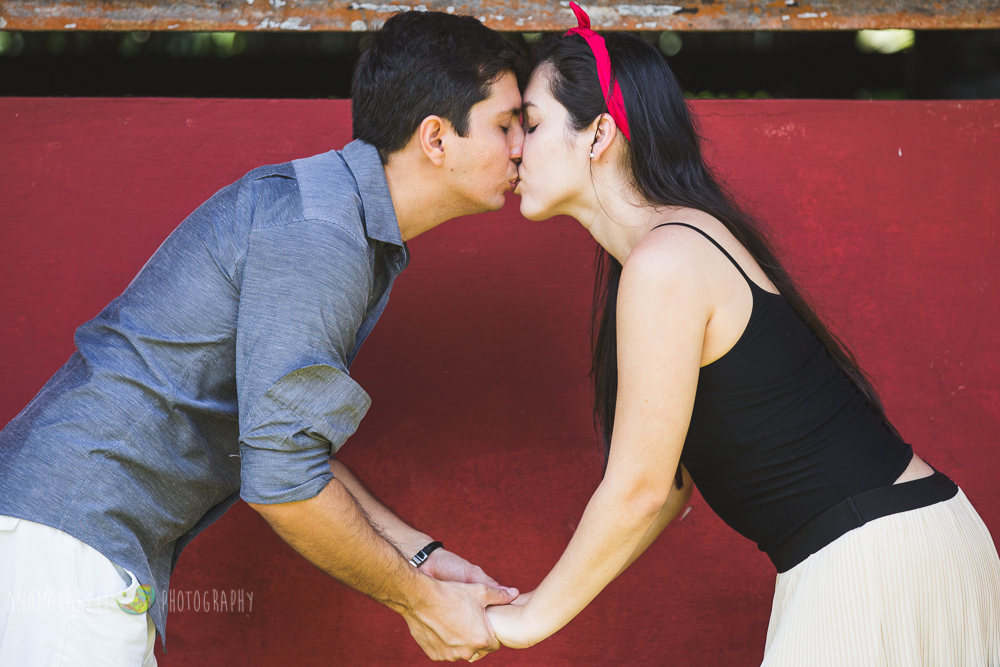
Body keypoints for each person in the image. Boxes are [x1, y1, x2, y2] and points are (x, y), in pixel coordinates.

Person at [0, 11, 528, 666]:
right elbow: (284, 479)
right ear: (436, 138)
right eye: (506, 125)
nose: (521, 147)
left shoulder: (330, 219)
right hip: (66, 555)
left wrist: (421, 555)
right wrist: (424, 602)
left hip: (63, 545)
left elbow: (283, 441)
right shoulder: (320, 235)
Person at [485, 4, 1000, 664]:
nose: (515, 147)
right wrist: (532, 605)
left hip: (874, 556)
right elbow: (666, 487)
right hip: (889, 543)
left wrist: (527, 622)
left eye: (530, 124)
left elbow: (640, 491)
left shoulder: (666, 261)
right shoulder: (668, 247)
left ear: (599, 134)